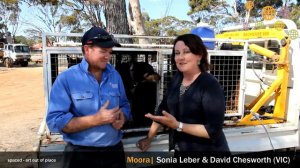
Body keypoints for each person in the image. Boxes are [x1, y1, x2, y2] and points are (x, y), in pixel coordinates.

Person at [46, 27, 131, 168]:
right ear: (87, 49)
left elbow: (125, 105)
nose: (108, 56)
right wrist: (96, 119)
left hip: (114, 153)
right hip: (80, 155)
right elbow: (55, 121)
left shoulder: (115, 75)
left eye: (110, 52)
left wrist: (122, 117)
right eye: (103, 51)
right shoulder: (67, 79)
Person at [137, 34, 230, 153]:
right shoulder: (177, 79)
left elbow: (213, 131)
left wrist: (178, 125)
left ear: (199, 55)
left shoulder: (210, 85)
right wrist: (149, 138)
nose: (180, 57)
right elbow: (163, 109)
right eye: (177, 53)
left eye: (186, 52)